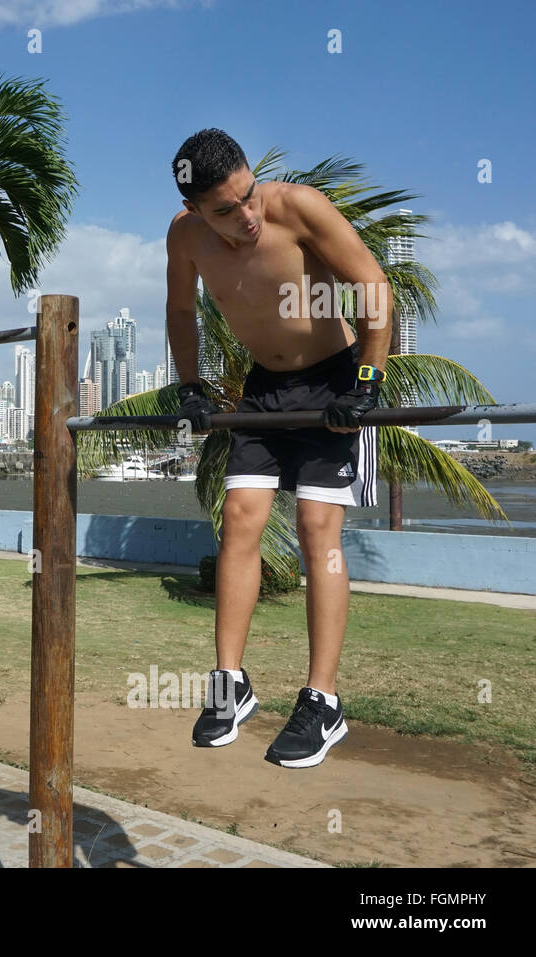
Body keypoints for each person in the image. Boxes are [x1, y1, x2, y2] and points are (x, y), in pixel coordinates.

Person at [166, 129, 392, 768]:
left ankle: (322, 702)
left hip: (334, 382)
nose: (246, 218)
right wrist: (190, 387)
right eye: (225, 212)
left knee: (320, 528)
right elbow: (180, 312)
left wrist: (368, 385)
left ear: (249, 176)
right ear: (193, 211)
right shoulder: (184, 239)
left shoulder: (299, 208)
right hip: (264, 390)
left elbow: (375, 289)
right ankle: (229, 685)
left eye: (247, 197)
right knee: (239, 521)